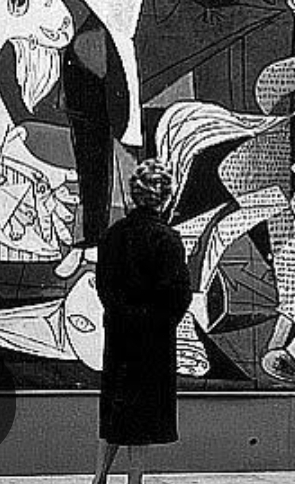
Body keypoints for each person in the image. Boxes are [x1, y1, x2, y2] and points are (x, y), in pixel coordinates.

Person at [93, 159, 192, 484]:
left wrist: (120, 314)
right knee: (142, 419)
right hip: (153, 340)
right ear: (165, 198)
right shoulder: (167, 239)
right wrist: (158, 321)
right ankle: (134, 480)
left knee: (114, 411)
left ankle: (99, 477)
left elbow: (103, 286)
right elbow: (178, 294)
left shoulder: (112, 235)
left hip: (118, 335)